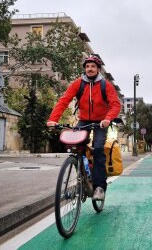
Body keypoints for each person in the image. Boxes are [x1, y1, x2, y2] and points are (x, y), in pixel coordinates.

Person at [47, 55, 121, 201]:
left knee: (98, 148)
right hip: (84, 120)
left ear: (98, 69)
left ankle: (99, 187)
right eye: (87, 66)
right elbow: (64, 100)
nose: (90, 69)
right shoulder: (78, 84)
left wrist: (108, 119)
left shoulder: (105, 85)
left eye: (93, 66)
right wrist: (52, 120)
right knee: (75, 147)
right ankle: (83, 179)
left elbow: (115, 104)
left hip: (101, 122)